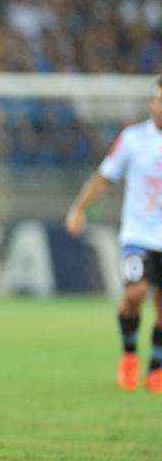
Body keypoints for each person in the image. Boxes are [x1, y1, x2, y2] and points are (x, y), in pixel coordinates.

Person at [66, 76, 162, 394]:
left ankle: (156, 368)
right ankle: (130, 354)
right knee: (135, 294)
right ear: (152, 103)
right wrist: (79, 208)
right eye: (158, 100)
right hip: (138, 234)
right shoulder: (133, 138)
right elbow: (105, 176)